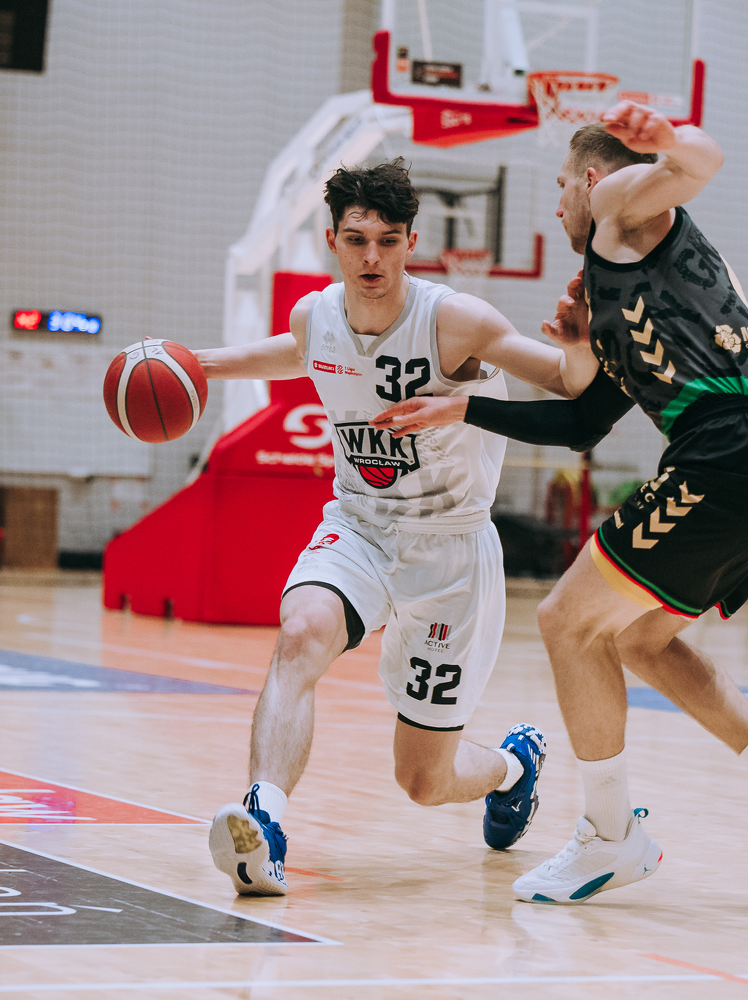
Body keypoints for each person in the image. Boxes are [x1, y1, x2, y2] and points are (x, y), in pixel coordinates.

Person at [372, 105, 748, 903]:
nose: (558, 202)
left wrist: (666, 138)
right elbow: (581, 424)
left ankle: (610, 835)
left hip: (726, 457)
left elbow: (700, 162)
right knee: (638, 639)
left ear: (593, 179)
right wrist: (471, 403)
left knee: (565, 621)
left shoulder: (617, 212)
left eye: (562, 184)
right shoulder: (630, 283)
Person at [194, 159, 599, 896]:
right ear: (333, 241)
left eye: (387, 240)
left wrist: (577, 345)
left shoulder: (456, 321)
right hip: (361, 526)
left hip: (453, 552)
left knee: (423, 779)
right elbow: (298, 353)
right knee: (300, 632)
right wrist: (198, 365)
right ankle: (264, 824)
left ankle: (515, 766)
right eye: (356, 240)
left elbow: (568, 385)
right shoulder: (315, 316)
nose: (372, 258)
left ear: (412, 241)